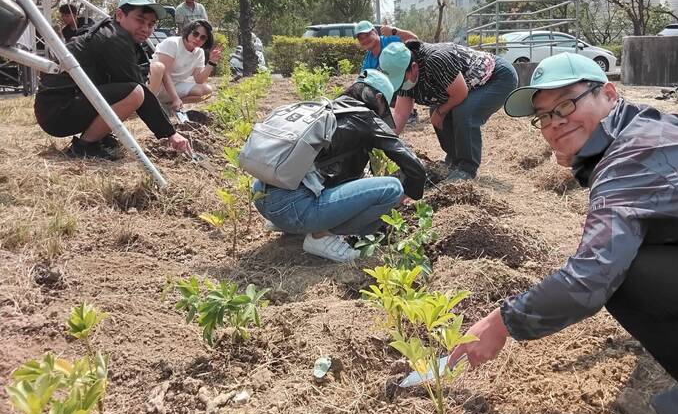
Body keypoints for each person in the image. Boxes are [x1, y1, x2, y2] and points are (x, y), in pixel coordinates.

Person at [449, 52, 678, 414]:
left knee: (627, 278)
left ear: (610, 94)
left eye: (566, 103)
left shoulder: (629, 160)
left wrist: (501, 323)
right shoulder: (654, 129)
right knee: (643, 254)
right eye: (545, 116)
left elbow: (590, 277)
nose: (556, 122)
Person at [253, 69, 427, 263]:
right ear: (378, 98)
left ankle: (289, 223)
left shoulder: (325, 108)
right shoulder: (365, 118)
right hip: (293, 211)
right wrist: (409, 192)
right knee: (392, 188)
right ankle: (321, 236)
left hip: (262, 198)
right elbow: (415, 167)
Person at [34, 0, 191, 160]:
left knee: (129, 91)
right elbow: (139, 93)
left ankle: (99, 135)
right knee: (135, 93)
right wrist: (171, 133)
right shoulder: (115, 38)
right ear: (120, 14)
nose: (146, 29)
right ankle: (86, 146)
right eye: (140, 20)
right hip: (58, 113)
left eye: (151, 24)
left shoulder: (110, 31)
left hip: (55, 109)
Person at [379, 40, 518, 181]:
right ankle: (453, 160)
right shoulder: (406, 79)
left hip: (496, 77)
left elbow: (460, 93)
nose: (400, 84)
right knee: (437, 112)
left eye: (401, 79)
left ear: (414, 67)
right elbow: (400, 114)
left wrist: (440, 113)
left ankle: (466, 169)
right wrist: (382, 141)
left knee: (464, 113)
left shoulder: (435, 60)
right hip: (467, 84)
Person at [148, 20, 221, 111]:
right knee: (158, 67)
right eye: (195, 34)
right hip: (155, 84)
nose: (198, 39)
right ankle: (149, 105)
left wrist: (211, 62)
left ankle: (169, 106)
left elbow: (199, 80)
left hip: (175, 86)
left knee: (207, 90)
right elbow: (165, 75)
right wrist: (175, 97)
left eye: (202, 37)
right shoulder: (172, 43)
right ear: (188, 31)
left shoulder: (199, 52)